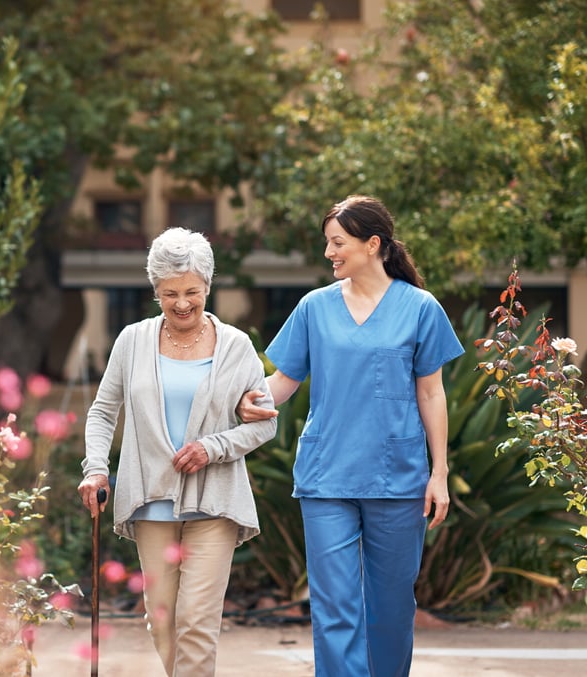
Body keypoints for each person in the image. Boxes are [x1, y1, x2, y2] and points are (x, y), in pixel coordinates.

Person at [237, 195, 464, 677]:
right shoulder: (313, 308)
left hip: (397, 478)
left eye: (337, 243)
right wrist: (244, 403)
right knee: (334, 609)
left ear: (373, 244)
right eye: (327, 244)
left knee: (391, 609)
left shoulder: (420, 308)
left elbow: (431, 395)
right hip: (327, 477)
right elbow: (281, 382)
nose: (329, 254)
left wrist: (439, 473)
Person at [79, 226, 278, 676]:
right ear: (156, 291)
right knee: (162, 620)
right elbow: (102, 412)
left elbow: (265, 425)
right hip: (151, 500)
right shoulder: (132, 341)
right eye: (170, 293)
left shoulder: (235, 346)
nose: (182, 303)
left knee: (197, 621)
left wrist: (214, 448)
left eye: (192, 291)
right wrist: (96, 469)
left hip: (215, 501)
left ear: (208, 286)